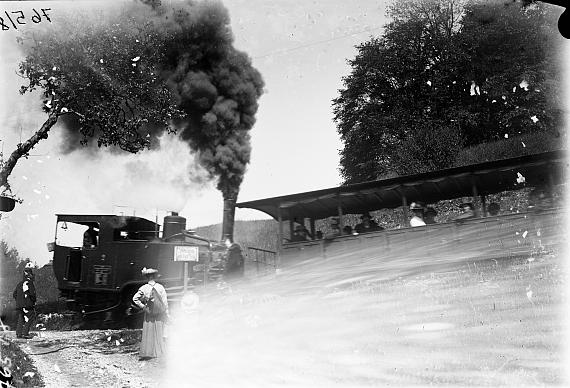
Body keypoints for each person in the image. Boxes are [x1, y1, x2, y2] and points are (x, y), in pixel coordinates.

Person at [132, 267, 169, 360]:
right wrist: (166, 313)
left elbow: (135, 299)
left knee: (149, 331)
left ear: (147, 277)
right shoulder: (160, 287)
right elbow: (165, 302)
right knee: (159, 331)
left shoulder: (144, 288)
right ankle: (158, 352)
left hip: (149, 312)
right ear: (154, 276)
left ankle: (148, 352)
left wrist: (143, 307)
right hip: (159, 313)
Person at [13, 263, 36, 339]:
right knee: (31, 316)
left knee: (21, 318)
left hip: (19, 305)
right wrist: (33, 302)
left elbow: (14, 294)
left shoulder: (19, 283)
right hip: (27, 304)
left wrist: (19, 301)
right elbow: (32, 295)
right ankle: (25, 333)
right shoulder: (29, 283)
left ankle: (19, 333)